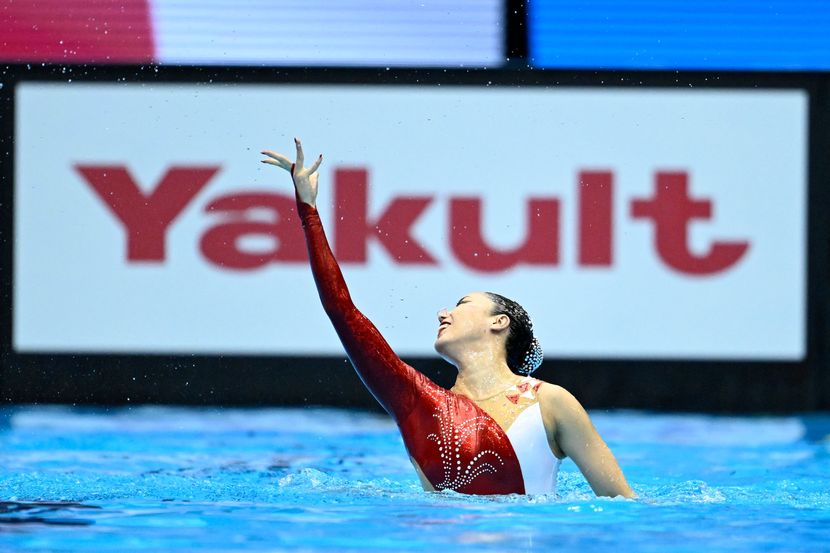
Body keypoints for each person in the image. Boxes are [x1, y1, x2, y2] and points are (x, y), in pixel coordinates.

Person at [261, 139, 634, 498]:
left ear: (499, 322)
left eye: (462, 303)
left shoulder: (550, 403)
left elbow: (622, 504)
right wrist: (308, 212)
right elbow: (343, 311)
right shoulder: (416, 402)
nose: (444, 312)